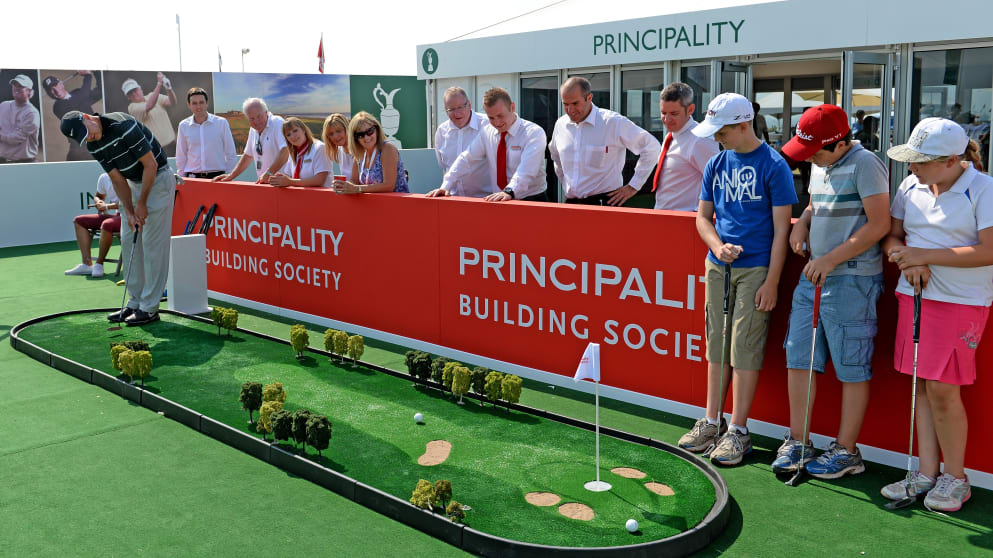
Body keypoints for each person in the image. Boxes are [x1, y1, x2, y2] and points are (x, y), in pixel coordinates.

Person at [880, 118, 993, 512]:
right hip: (913, 296)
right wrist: (905, 259)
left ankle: (956, 478)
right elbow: (892, 236)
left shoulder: (984, 188)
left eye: (921, 161)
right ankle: (927, 473)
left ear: (951, 161)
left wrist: (922, 256)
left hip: (962, 301)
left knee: (943, 389)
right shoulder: (909, 186)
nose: (912, 167)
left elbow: (988, 250)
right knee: (923, 386)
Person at [679, 93, 797, 466]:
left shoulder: (774, 165)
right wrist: (717, 245)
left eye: (722, 131)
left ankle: (738, 430)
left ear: (743, 125)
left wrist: (772, 281)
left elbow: (782, 230)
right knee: (716, 344)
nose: (717, 138)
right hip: (718, 266)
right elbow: (703, 218)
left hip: (757, 269)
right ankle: (711, 421)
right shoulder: (716, 163)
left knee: (744, 347)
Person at [772, 104, 891, 479]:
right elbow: (814, 204)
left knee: (851, 367)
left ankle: (847, 450)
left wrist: (830, 260)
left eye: (814, 152)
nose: (809, 159)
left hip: (853, 280)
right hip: (815, 275)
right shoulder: (821, 162)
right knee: (798, 356)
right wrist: (802, 223)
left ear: (840, 144)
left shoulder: (866, 163)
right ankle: (798, 441)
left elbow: (879, 224)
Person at [60, 110, 175, 326]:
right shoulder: (93, 145)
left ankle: (150, 308)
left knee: (152, 246)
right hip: (132, 183)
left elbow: (151, 165)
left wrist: (142, 203)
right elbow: (117, 179)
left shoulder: (122, 125)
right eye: (84, 138)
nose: (89, 138)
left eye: (87, 132)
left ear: (87, 118)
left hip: (158, 179)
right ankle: (135, 302)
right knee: (129, 242)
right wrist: (129, 212)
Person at [547, 77, 661, 206]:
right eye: (565, 104)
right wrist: (566, 183)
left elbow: (652, 147)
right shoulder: (561, 124)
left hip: (605, 203)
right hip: (571, 203)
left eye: (575, 103)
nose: (570, 110)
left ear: (589, 98)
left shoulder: (612, 122)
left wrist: (633, 186)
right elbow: (555, 156)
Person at [437, 87, 547, 203]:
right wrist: (445, 186)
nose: (497, 122)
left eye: (500, 116)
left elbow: (527, 170)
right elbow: (466, 159)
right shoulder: (487, 132)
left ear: (512, 107)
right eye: (491, 118)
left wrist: (509, 191)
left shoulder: (533, 133)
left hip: (532, 201)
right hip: (499, 200)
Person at [652, 82, 720, 211]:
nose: (667, 119)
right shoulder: (671, 135)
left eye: (674, 114)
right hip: (664, 216)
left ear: (690, 110)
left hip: (686, 218)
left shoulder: (701, 139)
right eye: (663, 113)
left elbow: (719, 183)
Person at [425, 87, 494, 198]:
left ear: (469, 105)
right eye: (451, 110)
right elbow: (444, 166)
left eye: (460, 107)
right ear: (446, 110)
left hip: (487, 200)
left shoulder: (488, 125)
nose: (457, 114)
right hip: (453, 199)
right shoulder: (442, 131)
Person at [214, 98, 289, 184]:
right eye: (252, 119)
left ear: (266, 112)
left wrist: (269, 173)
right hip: (265, 184)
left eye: (259, 116)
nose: (256, 121)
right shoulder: (253, 129)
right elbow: (248, 156)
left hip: (283, 185)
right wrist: (231, 176)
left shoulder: (277, 122)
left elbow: (286, 150)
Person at [334, 111, 409, 193]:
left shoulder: (387, 148)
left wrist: (357, 189)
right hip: (373, 201)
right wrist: (343, 185)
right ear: (355, 138)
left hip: (397, 200)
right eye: (360, 135)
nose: (366, 137)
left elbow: (389, 185)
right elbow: (354, 181)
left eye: (370, 131)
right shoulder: (359, 154)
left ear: (377, 130)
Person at [65, 173, 120, 278]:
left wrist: (107, 206)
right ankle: (87, 264)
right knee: (79, 221)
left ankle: (99, 264)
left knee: (106, 224)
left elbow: (130, 202)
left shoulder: (128, 175)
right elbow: (98, 196)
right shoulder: (104, 177)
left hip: (129, 216)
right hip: (117, 216)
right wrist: (99, 202)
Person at [175, 87, 237, 179]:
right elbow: (181, 155)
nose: (198, 106)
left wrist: (229, 176)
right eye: (194, 103)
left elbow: (230, 152)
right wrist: (181, 178)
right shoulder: (183, 125)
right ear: (189, 105)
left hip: (217, 178)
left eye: (201, 102)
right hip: (193, 178)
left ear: (207, 103)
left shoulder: (221, 123)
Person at [42, 71, 102, 160]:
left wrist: (96, 72)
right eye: (50, 90)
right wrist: (88, 75)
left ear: (61, 84)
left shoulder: (78, 93)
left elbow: (100, 91)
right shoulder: (58, 107)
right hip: (79, 147)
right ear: (49, 94)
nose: (55, 91)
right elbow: (82, 96)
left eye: (55, 85)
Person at [269, 117, 331, 188]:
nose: (293, 136)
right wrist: (279, 178)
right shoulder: (293, 153)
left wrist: (290, 182)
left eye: (295, 131)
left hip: (320, 195)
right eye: (288, 135)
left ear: (303, 129)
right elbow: (288, 175)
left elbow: (320, 180)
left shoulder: (319, 147)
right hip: (299, 195)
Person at [122, 73, 176, 149]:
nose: (134, 94)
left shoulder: (152, 95)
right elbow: (149, 105)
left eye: (135, 90)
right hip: (157, 149)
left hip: (173, 143)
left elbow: (172, 102)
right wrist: (159, 84)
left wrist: (168, 88)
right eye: (130, 93)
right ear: (128, 97)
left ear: (140, 89)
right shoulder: (132, 107)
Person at [0, 74, 40, 163]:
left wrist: (1, 136)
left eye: (21, 86)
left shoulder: (32, 113)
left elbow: (17, 138)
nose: (16, 88)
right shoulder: (3, 105)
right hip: (2, 160)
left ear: (29, 91)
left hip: (24, 162)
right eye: (14, 85)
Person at [321, 113, 354, 181]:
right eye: (331, 134)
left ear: (347, 129)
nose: (335, 136)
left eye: (338, 131)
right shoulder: (339, 150)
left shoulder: (361, 149)